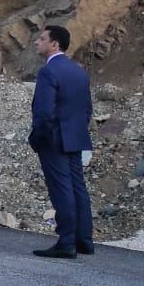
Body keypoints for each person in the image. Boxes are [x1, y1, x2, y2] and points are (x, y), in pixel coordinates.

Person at [29, 25, 95, 259]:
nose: (37, 42)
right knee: (78, 188)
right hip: (75, 136)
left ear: (54, 44)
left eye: (42, 38)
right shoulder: (78, 71)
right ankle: (84, 240)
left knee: (62, 189)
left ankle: (66, 242)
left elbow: (44, 112)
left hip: (54, 139)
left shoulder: (48, 72)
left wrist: (38, 137)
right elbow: (87, 109)